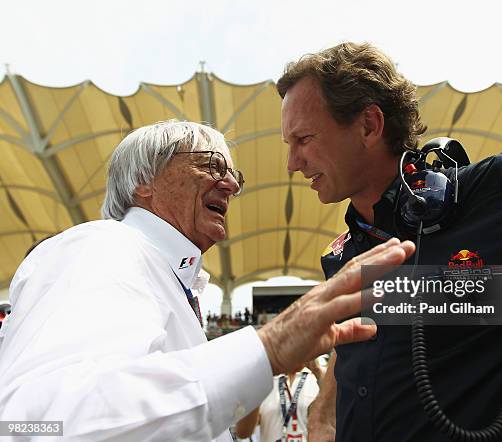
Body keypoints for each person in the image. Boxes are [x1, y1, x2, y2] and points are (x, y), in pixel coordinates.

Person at [277, 42, 502, 441]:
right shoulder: (344, 253)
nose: (292, 163)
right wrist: (322, 412)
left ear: (369, 124)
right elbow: (361, 345)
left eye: (304, 139)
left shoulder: (497, 193)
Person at [0, 120, 415, 441]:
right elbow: (33, 423)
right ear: (144, 181)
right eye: (212, 165)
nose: (232, 185)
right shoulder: (103, 247)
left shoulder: (170, 279)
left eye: (235, 174)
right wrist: (266, 348)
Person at [235, 358, 325, 441]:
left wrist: (317, 371)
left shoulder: (318, 377)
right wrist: (257, 381)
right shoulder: (266, 380)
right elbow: (243, 432)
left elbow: (334, 416)